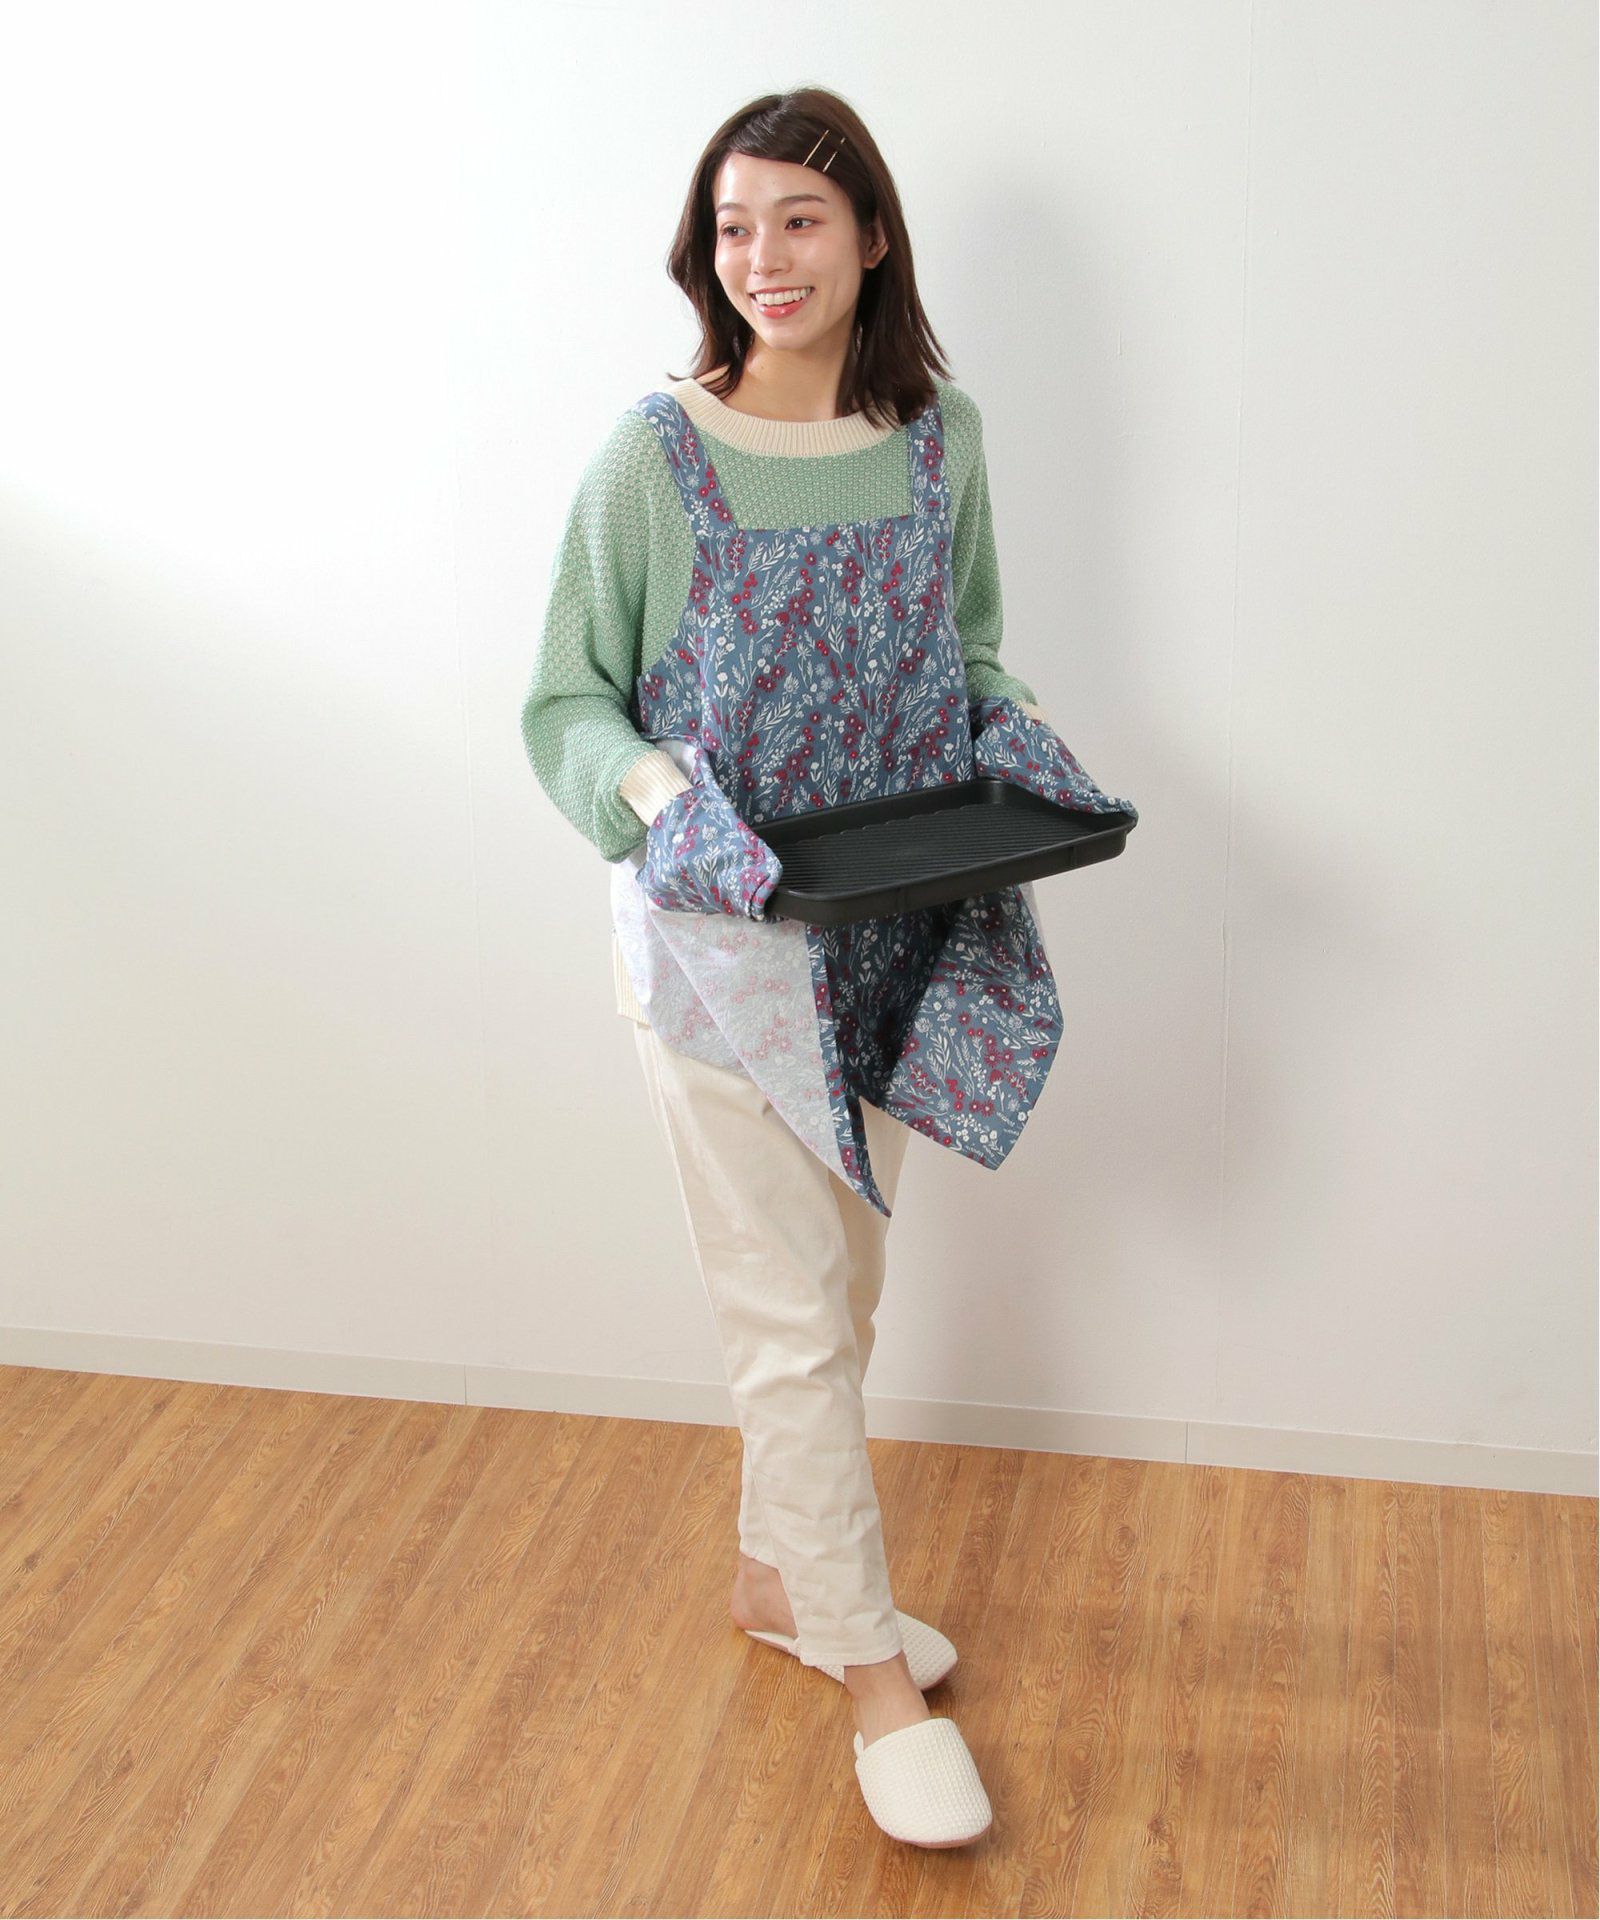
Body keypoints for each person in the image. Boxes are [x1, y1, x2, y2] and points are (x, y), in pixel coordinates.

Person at [521, 85, 1056, 1849]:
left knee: (847, 1302)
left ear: (872, 239)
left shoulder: (939, 438)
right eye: (734, 226)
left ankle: (782, 1580)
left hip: (892, 932)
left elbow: (969, 659)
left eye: (800, 221)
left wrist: (1031, 754)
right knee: (791, 1325)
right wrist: (658, 798)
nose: (764, 256)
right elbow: (567, 704)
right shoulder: (653, 458)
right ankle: (875, 1680)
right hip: (718, 953)